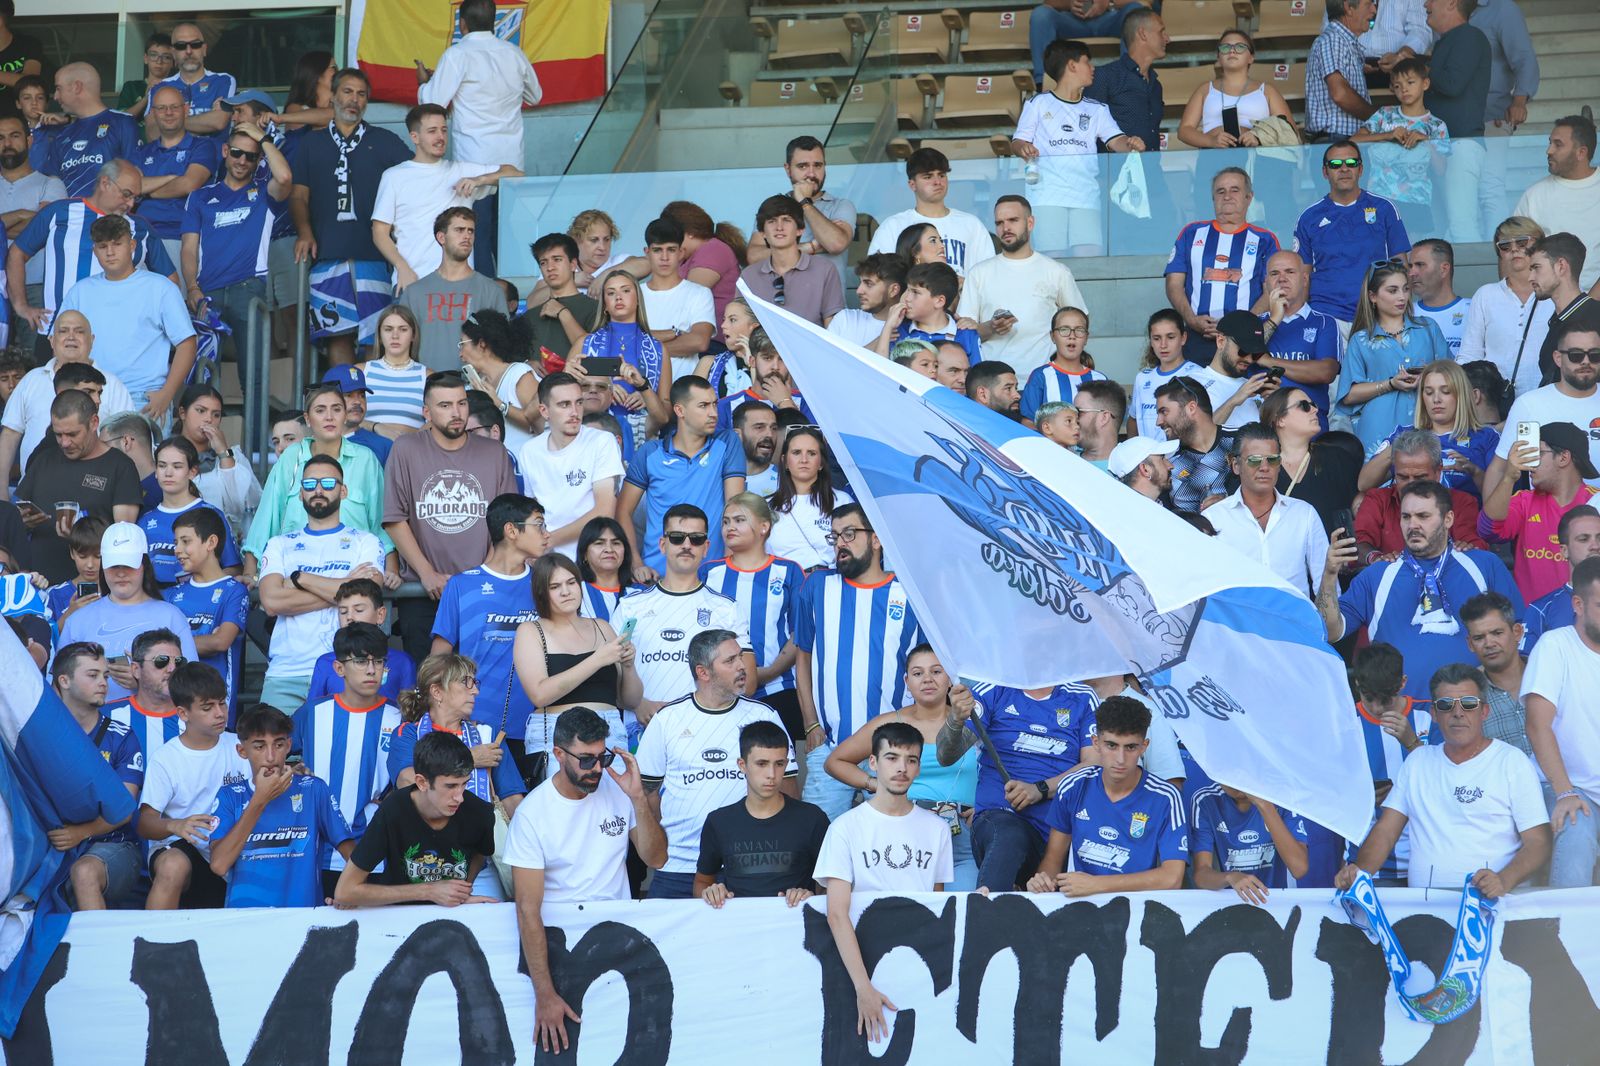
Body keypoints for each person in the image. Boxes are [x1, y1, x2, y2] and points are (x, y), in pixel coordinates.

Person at [508, 707, 664, 1054]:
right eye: (586, 760)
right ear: (558, 754)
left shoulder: (617, 789)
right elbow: (527, 911)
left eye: (603, 757)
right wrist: (544, 994)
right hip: (563, 949)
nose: (597, 768)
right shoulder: (533, 814)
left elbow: (656, 858)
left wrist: (639, 799)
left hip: (620, 939)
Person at [1338, 663, 1550, 894]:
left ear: (1484, 712)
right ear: (1434, 714)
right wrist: (1360, 872)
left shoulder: (1512, 762)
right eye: (1446, 705)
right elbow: (1386, 832)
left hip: (1494, 906)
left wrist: (1504, 879)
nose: (1457, 713)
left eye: (1469, 704)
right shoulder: (1417, 762)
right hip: (1426, 910)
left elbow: (1538, 842)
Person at [1321, 480, 1523, 701]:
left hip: (1474, 713)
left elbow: (1519, 632)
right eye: (1406, 517)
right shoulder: (1377, 575)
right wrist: (1329, 574)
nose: (1412, 525)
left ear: (1448, 519)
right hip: (1401, 720)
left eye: (1423, 516)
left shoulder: (1484, 565)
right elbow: (1331, 631)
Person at [815, 718, 952, 1040]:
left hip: (918, 967)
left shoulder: (937, 829)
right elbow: (836, 914)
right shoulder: (845, 828)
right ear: (873, 762)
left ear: (919, 768)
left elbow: (935, 904)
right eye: (892, 758)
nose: (901, 767)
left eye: (911, 759)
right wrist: (863, 987)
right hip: (859, 965)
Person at [635, 628, 794, 899]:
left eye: (740, 658)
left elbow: (788, 791)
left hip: (749, 868)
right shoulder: (667, 720)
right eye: (730, 661)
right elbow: (647, 795)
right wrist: (663, 850)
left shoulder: (765, 716)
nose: (742, 666)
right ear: (703, 672)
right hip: (679, 870)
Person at [795, 503, 925, 819]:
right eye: (835, 536)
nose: (840, 543)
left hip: (893, 753)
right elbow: (802, 658)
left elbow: (925, 673)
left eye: (850, 534)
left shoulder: (909, 594)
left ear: (877, 538)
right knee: (819, 851)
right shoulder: (816, 586)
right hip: (829, 746)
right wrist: (810, 723)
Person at [382, 370, 516, 661]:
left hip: (484, 590)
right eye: (445, 406)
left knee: (481, 682)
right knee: (429, 683)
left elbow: (506, 521)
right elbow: (394, 518)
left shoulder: (494, 452)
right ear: (426, 412)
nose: (456, 413)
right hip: (423, 593)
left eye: (461, 403)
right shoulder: (405, 449)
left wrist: (486, 574)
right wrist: (426, 574)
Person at [933, 663, 1095, 893]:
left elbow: (1094, 764)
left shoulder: (1083, 696)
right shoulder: (992, 690)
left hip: (1060, 828)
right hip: (999, 819)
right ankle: (986, 913)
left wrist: (1040, 789)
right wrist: (955, 720)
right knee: (1009, 834)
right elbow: (946, 755)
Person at [292, 68, 412, 365]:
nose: (353, 100)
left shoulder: (385, 141)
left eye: (361, 94)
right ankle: (344, 404)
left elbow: (416, 181)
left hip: (374, 254)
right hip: (328, 254)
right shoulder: (311, 143)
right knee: (336, 335)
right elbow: (298, 195)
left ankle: (374, 404)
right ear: (332, 97)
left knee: (378, 336)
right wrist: (305, 232)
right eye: (347, 91)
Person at [415, 0, 541, 271]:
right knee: (505, 234)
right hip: (511, 161)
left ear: (462, 24)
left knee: (477, 235)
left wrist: (425, 82)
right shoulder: (513, 53)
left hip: (475, 162)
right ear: (494, 21)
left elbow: (433, 104)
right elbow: (536, 95)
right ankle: (512, 297)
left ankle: (489, 304)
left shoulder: (457, 55)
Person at [255, 454, 386, 712]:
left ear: (344, 491)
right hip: (286, 672)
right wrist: (346, 585)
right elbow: (271, 602)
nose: (318, 490)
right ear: (300, 493)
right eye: (309, 484)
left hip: (347, 668)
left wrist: (299, 580)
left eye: (328, 483)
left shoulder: (365, 541)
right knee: (276, 751)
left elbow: (368, 595)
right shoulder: (279, 543)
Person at [390, 652, 526, 893]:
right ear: (437, 692)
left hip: (482, 865)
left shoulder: (488, 735)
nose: (475, 691)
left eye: (475, 683)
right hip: (423, 864)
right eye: (466, 682)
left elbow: (513, 800)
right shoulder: (407, 733)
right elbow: (407, 781)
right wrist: (469, 759)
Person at [1026, 696, 1187, 897]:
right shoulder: (1073, 785)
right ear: (1096, 743)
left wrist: (1097, 885)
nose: (1120, 759)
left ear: (1144, 746)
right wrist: (1042, 881)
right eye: (1111, 745)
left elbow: (1172, 878)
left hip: (1139, 911)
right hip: (1081, 909)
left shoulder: (1166, 797)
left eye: (1130, 747)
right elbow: (1052, 860)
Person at [611, 505, 750, 723]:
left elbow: (745, 682)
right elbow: (610, 674)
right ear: (662, 545)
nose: (686, 545)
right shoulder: (630, 607)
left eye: (696, 539)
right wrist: (638, 704)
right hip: (641, 730)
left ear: (706, 547)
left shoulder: (727, 608)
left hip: (709, 728)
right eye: (677, 537)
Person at [207, 703, 356, 908]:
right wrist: (259, 800)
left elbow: (351, 853)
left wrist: (352, 893)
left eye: (278, 745)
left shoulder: (313, 790)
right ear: (242, 751)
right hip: (243, 922)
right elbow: (219, 864)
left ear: (288, 745)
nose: (270, 757)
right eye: (259, 746)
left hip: (302, 921)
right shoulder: (230, 796)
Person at [179, 122, 290, 396]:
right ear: (225, 151)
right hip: (208, 293)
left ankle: (253, 440)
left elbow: (285, 178)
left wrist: (262, 138)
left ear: (258, 159)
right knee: (200, 376)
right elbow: (189, 248)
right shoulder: (201, 196)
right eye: (238, 153)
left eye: (251, 156)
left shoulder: (264, 192)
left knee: (253, 379)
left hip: (249, 290)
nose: (242, 160)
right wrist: (192, 287)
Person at [1009, 40, 1144, 258]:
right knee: (1053, 260)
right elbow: (1017, 142)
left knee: (1089, 258)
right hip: (1046, 195)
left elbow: (1116, 140)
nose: (1093, 68)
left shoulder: (1097, 109)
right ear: (1072, 66)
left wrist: (1131, 144)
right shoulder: (1037, 103)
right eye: (1087, 62)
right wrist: (1023, 147)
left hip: (1086, 195)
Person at [428, 490, 544, 741]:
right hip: (472, 723)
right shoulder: (461, 585)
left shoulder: (544, 585)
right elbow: (439, 657)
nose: (547, 534)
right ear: (511, 531)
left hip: (535, 726)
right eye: (539, 525)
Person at [244, 383, 393, 576]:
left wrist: (392, 569)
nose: (329, 417)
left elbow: (381, 522)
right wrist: (250, 572)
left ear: (345, 415)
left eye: (337, 409)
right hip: (294, 575)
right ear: (307, 419)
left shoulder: (366, 459)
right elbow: (266, 518)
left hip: (353, 577)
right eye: (320, 410)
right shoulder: (291, 457)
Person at [334, 731, 498, 906]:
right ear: (421, 782)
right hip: (397, 916)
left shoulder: (480, 813)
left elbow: (480, 853)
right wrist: (430, 891)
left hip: (452, 914)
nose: (460, 797)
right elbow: (345, 891)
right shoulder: (393, 811)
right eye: (450, 786)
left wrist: (461, 892)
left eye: (464, 784)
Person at [57, 214, 196, 417]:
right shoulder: (79, 291)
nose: (110, 252)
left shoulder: (161, 287)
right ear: (95, 251)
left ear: (132, 245)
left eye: (117, 244)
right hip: (88, 395)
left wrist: (166, 394)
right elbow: (59, 344)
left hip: (142, 397)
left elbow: (187, 343)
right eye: (103, 246)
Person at [137, 661, 248, 909]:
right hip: (183, 847)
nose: (220, 713)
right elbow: (145, 823)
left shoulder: (241, 745)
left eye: (222, 702)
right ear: (183, 713)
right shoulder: (166, 758)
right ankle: (151, 942)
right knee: (172, 865)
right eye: (208, 707)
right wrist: (176, 825)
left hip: (234, 846)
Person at [372, 104, 518, 289]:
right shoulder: (394, 176)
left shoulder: (462, 170)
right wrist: (402, 268)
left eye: (443, 130)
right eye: (432, 131)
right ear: (414, 137)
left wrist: (480, 180)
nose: (440, 137)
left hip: (460, 286)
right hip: (412, 282)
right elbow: (379, 232)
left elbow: (516, 174)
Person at [703, 493, 806, 741]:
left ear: (764, 526)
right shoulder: (709, 572)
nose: (730, 527)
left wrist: (768, 672)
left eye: (739, 520)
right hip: (721, 691)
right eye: (726, 521)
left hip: (779, 688)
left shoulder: (789, 571)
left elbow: (801, 632)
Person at [618, 376, 744, 576]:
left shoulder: (727, 443)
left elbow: (734, 507)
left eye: (714, 404)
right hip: (657, 574)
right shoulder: (650, 452)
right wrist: (636, 564)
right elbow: (622, 511)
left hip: (710, 574)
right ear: (679, 410)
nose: (713, 413)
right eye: (703, 405)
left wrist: (727, 567)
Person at [50, 642, 143, 910]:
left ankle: (97, 952)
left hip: (115, 844)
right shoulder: (42, 737)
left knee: (84, 872)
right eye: (92, 675)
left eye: (105, 675)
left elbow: (125, 810)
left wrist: (81, 832)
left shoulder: (121, 736)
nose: (103, 682)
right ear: (64, 681)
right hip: (54, 843)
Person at [698, 719, 829, 906]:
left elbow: (832, 885)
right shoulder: (719, 822)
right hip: (737, 929)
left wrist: (810, 896)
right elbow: (702, 882)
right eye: (761, 763)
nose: (771, 774)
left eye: (779, 764)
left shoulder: (812, 819)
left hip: (796, 928)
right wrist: (711, 894)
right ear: (742, 765)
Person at [18, 391, 143, 582]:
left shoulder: (120, 466)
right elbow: (18, 509)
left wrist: (80, 536)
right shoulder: (44, 459)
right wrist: (23, 523)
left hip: (92, 586)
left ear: (94, 422)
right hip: (39, 582)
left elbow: (122, 536)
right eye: (58, 434)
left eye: (72, 434)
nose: (65, 442)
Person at [959, 195, 1085, 379]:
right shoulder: (978, 273)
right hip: (993, 385)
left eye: (1013, 220)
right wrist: (991, 327)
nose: (1006, 228)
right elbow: (965, 336)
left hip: (1045, 381)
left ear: (1030, 222)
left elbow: (1079, 324)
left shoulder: (1057, 271)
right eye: (999, 223)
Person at [0, 311, 134, 476]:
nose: (71, 337)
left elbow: (128, 436)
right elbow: (10, 435)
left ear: (91, 341)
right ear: (51, 341)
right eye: (63, 331)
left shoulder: (112, 384)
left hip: (96, 490)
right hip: (33, 491)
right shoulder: (31, 380)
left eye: (79, 331)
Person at [1293, 143, 1411, 331]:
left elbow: (1400, 266)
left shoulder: (1384, 208)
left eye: (1351, 162)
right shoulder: (1309, 217)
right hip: (1326, 315)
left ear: (1361, 169)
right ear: (1325, 172)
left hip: (1376, 313)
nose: (1344, 168)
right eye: (1335, 164)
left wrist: (1397, 314)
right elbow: (1303, 277)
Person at [1165, 168, 1278, 363]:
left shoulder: (1265, 239)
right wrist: (1192, 320)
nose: (1227, 196)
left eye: (1234, 190)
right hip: (1197, 337)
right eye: (1220, 191)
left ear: (1248, 197)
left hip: (1244, 340)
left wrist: (1239, 326)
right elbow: (1174, 284)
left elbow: (1271, 291)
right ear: (1213, 198)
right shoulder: (1191, 233)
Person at [1206, 423, 1330, 599]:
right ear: (1235, 465)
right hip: (1238, 625)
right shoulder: (1214, 518)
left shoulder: (1304, 514)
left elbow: (1325, 584)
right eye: (1254, 460)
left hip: (1293, 623)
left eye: (1272, 459)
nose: (1264, 467)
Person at [1340, 261, 1452, 454]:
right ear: (1372, 296)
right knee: (1378, 483)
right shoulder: (1360, 339)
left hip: (1427, 421)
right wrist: (1390, 383)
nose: (1402, 297)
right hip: (1378, 429)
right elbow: (1348, 394)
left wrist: (1428, 376)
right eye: (1392, 290)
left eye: (1405, 289)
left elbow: (1454, 376)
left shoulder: (1428, 327)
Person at [1484, 421, 1598, 604]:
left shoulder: (1596, 503)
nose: (1529, 463)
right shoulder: (1524, 500)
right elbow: (1488, 530)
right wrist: (1508, 477)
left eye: (1537, 454)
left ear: (1563, 457)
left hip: (1585, 622)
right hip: (1532, 623)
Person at [1357, 360, 1497, 501]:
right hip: (1409, 518)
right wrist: (1398, 446)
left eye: (1446, 392)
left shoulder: (1487, 437)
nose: (1436, 399)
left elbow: (1501, 501)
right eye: (1429, 393)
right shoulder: (1403, 434)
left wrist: (1474, 471)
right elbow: (1364, 484)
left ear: (1461, 395)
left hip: (1465, 518)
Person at [1489, 324, 1600, 503]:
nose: (1585, 361)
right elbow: (1499, 468)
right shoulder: (1529, 404)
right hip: (1545, 522)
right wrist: (1492, 525)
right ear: (1558, 358)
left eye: (1594, 355)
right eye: (1576, 355)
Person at [516, 373, 621, 558]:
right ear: (544, 411)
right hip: (548, 561)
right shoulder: (529, 450)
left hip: (592, 557)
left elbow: (604, 512)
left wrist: (548, 541)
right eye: (564, 404)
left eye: (578, 402)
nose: (574, 412)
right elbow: (532, 512)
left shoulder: (602, 441)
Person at [392, 208, 508, 374]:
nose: (467, 236)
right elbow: (402, 346)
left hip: (476, 389)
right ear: (441, 237)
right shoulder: (414, 292)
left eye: (471, 231)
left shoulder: (492, 290)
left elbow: (502, 346)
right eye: (459, 230)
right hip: (426, 386)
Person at [569, 267, 670, 451]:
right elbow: (565, 397)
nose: (618, 297)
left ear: (638, 298)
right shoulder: (584, 343)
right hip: (589, 431)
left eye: (625, 290)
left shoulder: (657, 348)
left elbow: (666, 411)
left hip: (641, 436)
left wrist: (645, 394)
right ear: (604, 304)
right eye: (611, 293)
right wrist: (604, 390)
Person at [1351, 57, 1450, 239]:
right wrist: (1387, 135)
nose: (1404, 89)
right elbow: (1354, 141)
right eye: (1397, 85)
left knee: (1413, 254)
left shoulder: (1437, 125)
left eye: (1410, 82)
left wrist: (1425, 141)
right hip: (1378, 199)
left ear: (1425, 83)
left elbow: (1441, 169)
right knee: (1378, 251)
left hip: (1416, 200)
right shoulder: (1384, 115)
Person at [1352, 429, 1486, 563]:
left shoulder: (1462, 502)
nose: (1411, 485)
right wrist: (1375, 558)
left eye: (1420, 477)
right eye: (1403, 477)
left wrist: (1467, 550)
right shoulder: (1377, 500)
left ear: (1438, 472)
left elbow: (1475, 547)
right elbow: (1358, 544)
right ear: (1395, 472)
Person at [163, 506, 248, 717]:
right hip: (175, 704)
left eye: (185, 541)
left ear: (211, 542)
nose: (177, 550)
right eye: (175, 542)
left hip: (216, 706)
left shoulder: (234, 590)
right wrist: (205, 639)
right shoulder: (171, 595)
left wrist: (171, 647)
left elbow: (220, 642)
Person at [1459, 217, 1551, 400]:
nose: (1514, 249)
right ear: (1499, 253)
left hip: (1548, 398)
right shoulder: (1485, 295)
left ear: (1541, 246)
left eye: (1522, 242)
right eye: (1505, 246)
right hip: (1496, 402)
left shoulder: (1555, 293)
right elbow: (1470, 354)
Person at [1424, 0, 1492, 244]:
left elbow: (1453, 84)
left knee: (1462, 226)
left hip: (1461, 145)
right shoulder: (1450, 39)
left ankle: (1472, 282)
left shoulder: (1469, 36)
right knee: (1445, 229)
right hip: (1444, 147)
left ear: (1451, 3)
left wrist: (1420, 69)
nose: (1425, 4)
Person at [865, 147, 993, 277]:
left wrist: (963, 284)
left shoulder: (972, 224)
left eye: (942, 175)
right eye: (928, 176)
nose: (937, 182)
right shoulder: (892, 226)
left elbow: (988, 276)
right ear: (912, 185)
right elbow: (876, 278)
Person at [0, 110, 66, 353]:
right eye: (1, 138)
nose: (7, 144)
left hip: (36, 285)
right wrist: (21, 215)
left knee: (33, 360)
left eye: (15, 136)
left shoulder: (51, 184)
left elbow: (47, 230)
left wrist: (3, 228)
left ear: (29, 140)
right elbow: (36, 227)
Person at [140, 436, 241, 586]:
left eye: (177, 466)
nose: (168, 473)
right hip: (154, 605)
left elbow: (233, 568)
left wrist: (197, 586)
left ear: (192, 472)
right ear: (155, 471)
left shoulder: (211, 516)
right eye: (162, 466)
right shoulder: (145, 521)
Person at [136, 84, 219, 266]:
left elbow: (189, 184)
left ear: (186, 110)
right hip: (140, 237)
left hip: (181, 236)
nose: (168, 112)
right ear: (153, 113)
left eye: (174, 107)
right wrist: (171, 179)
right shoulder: (142, 152)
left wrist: (146, 190)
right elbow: (131, 187)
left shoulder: (202, 146)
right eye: (162, 108)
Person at [303, 578, 416, 708]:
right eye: (343, 611)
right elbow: (313, 711)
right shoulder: (326, 662)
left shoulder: (403, 661)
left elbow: (410, 714)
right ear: (338, 668)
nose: (349, 617)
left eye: (359, 610)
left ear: (380, 614)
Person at [1518, 118, 1600, 294]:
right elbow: (1516, 256)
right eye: (1550, 143)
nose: (1549, 151)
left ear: (1581, 152)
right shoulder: (1534, 195)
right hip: (1548, 304)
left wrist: (1590, 304)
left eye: (1558, 144)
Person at [1190, 783, 1310, 903]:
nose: (1239, 780)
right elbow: (1201, 875)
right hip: (1231, 902)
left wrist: (1264, 804)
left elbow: (1299, 869)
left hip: (1278, 901)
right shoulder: (1205, 799)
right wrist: (1230, 877)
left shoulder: (1283, 796)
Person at [739, 194, 843, 329]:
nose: (779, 227)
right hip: (760, 349)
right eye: (771, 221)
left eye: (786, 220)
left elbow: (833, 327)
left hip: (810, 348)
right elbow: (741, 326)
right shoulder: (748, 276)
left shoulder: (824, 269)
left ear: (800, 229)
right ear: (762, 233)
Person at [41, 63, 140, 199]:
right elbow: (53, 184)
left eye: (59, 89)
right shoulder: (63, 135)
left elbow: (135, 177)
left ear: (77, 87)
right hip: (69, 216)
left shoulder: (122, 123)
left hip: (109, 217)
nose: (55, 96)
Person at [170, 384, 260, 531]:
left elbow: (238, 507)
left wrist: (224, 452)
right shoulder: (163, 454)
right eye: (201, 411)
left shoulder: (232, 456)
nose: (208, 419)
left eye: (216, 414)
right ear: (182, 413)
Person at [1084, 7, 1167, 157]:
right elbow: (1085, 130)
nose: (1167, 38)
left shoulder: (1156, 85)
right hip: (1114, 176)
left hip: (1153, 174)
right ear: (1142, 34)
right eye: (1161, 32)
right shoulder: (1105, 76)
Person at [96, 625, 189, 754]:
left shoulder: (196, 717)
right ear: (136, 670)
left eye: (179, 661)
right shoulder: (104, 716)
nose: (172, 668)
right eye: (162, 661)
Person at [1461, 591, 1532, 756]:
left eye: (1497, 633)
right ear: (1470, 644)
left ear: (1517, 632)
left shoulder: (1550, 676)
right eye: (1479, 638)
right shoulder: (1467, 697)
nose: (1489, 643)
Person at [457, 309, 538, 453]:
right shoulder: (473, 386)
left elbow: (538, 423)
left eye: (462, 344)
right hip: (493, 466)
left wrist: (499, 404)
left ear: (481, 343)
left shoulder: (518, 373)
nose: (460, 354)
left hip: (524, 465)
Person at [1528, 234, 1600, 390]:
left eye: (1536, 268)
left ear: (1561, 266)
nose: (1530, 277)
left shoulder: (1595, 317)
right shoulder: (1559, 319)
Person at [1027, 0, 1150, 90]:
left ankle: (1132, 81)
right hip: (1072, 21)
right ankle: (1043, 84)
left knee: (1136, 10)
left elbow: (1148, 1)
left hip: (1113, 18)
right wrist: (1069, 3)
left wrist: (1109, 3)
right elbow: (1049, 2)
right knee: (1041, 14)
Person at [1154, 376, 1234, 513]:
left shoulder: (1242, 441)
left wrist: (1228, 503)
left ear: (1191, 408)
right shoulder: (1168, 463)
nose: (1158, 422)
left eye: (1164, 412)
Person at [1524, 505, 1600, 648]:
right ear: (1564, 551)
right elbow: (1526, 667)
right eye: (1584, 539)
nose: (1595, 546)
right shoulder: (1541, 610)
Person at [1187, 308, 1274, 431]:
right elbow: (1197, 438)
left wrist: (1273, 404)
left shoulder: (1254, 388)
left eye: (1255, 354)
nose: (1249, 359)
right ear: (1221, 341)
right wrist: (1234, 401)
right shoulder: (1191, 384)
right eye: (1243, 351)